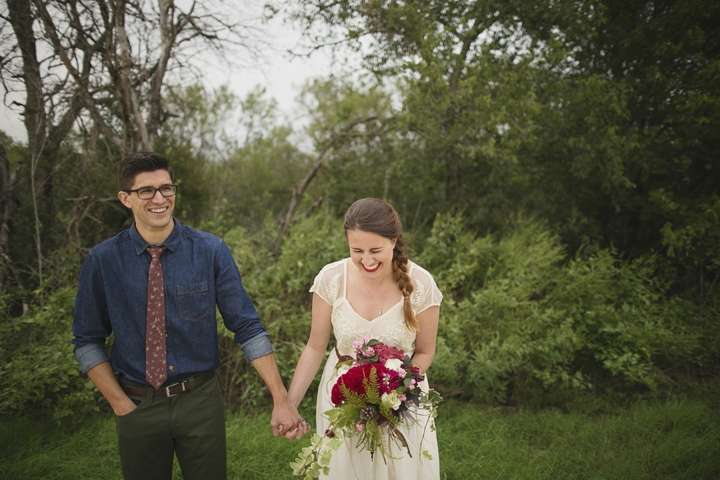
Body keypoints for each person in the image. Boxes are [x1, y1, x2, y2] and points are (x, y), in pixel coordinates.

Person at [71, 151, 309, 480]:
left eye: (166, 188)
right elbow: (86, 340)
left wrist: (280, 398)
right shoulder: (102, 260)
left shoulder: (210, 250)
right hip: (137, 402)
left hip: (199, 402)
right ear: (125, 198)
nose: (160, 198)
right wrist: (120, 404)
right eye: (147, 191)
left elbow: (247, 328)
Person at [287, 198, 443, 479]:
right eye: (356, 250)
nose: (367, 260)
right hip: (342, 396)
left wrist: (395, 393)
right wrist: (290, 405)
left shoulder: (421, 284)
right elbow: (314, 347)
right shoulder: (331, 279)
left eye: (375, 250)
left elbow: (425, 351)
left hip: (400, 397)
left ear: (394, 241)